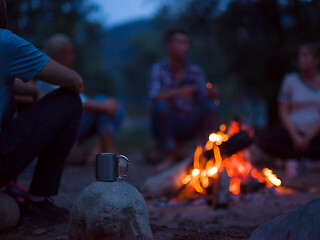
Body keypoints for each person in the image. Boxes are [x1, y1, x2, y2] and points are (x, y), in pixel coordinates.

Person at [0, 0, 83, 225]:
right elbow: (74, 82)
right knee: (69, 101)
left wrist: (29, 90)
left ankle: (11, 187)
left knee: (20, 98)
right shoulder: (4, 42)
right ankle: (37, 201)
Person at [36, 34, 124, 164]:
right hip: (62, 126)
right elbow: (79, 103)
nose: (73, 56)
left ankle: (98, 149)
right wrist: (105, 105)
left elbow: (81, 99)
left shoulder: (58, 72)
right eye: (69, 52)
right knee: (108, 106)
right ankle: (108, 151)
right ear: (57, 54)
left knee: (111, 107)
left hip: (70, 121)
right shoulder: (50, 75)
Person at [148, 29, 219, 171]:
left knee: (211, 106)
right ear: (168, 46)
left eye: (186, 43)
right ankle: (169, 155)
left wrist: (211, 93)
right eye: (181, 43)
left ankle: (204, 154)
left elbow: (202, 97)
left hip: (188, 122)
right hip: (167, 123)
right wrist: (179, 92)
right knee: (161, 106)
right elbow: (154, 95)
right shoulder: (158, 69)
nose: (185, 47)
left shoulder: (195, 70)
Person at [256, 43, 320, 160]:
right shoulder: (290, 80)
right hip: (293, 130)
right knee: (262, 139)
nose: (301, 59)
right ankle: (305, 158)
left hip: (315, 133)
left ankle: (298, 158)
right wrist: (295, 135)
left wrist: (308, 137)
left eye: (305, 55)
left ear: (316, 60)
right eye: (300, 56)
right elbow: (283, 110)